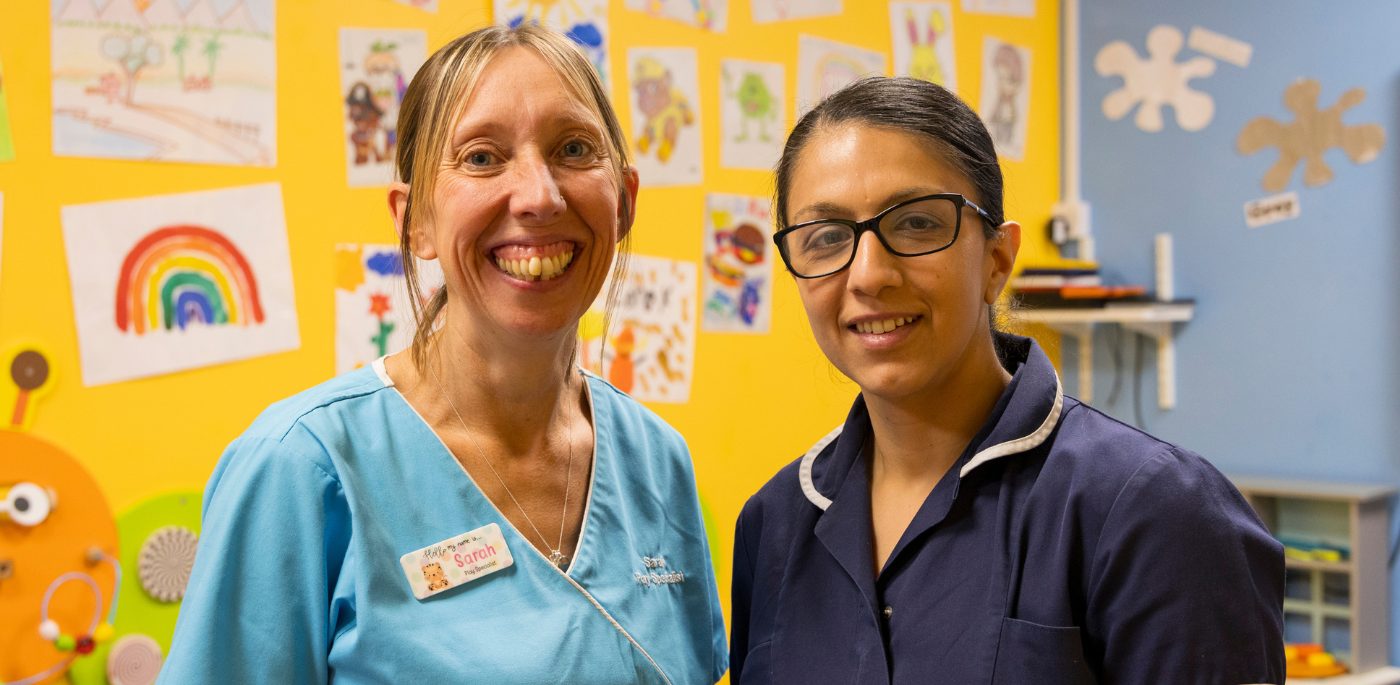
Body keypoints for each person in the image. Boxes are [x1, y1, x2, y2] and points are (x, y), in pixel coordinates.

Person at [160, 25, 726, 685]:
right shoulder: (301, 465)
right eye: (483, 157)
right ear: (414, 221)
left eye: (574, 148)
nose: (540, 195)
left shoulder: (657, 460)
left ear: (624, 200)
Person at [729, 77, 1284, 685]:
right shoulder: (774, 525)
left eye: (916, 223)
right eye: (827, 237)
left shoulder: (1154, 512)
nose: (868, 275)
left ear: (997, 259)